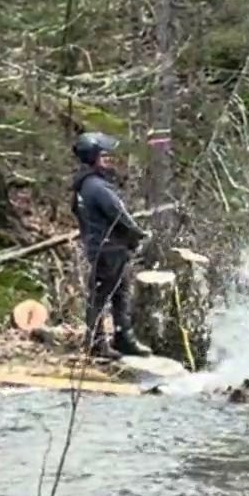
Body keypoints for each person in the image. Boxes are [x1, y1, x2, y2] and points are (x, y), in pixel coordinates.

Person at [70, 132, 153, 359]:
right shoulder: (97, 187)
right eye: (103, 156)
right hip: (109, 249)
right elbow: (120, 216)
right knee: (102, 297)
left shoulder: (83, 185)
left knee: (119, 294)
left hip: (102, 247)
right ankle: (97, 344)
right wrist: (138, 235)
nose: (108, 159)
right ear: (93, 157)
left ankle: (123, 338)